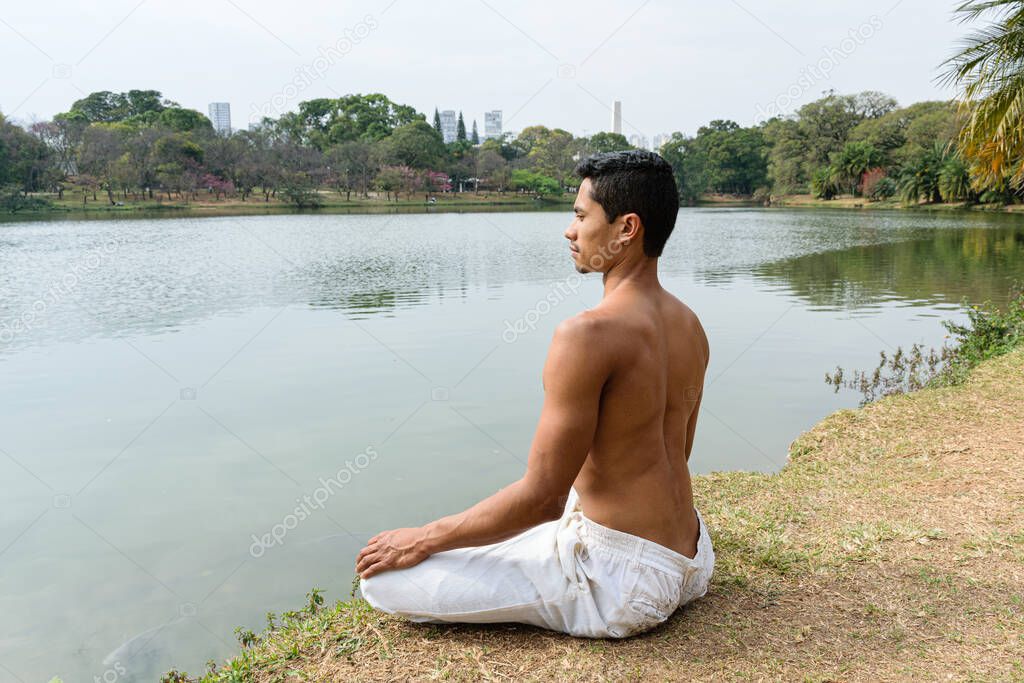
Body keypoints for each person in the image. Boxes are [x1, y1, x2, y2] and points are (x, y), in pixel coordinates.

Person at [356, 150, 713, 639]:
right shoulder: (690, 325)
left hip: (624, 584)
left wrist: (421, 538)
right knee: (558, 509)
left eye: (581, 216)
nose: (570, 230)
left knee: (385, 584)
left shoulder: (586, 335)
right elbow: (678, 453)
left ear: (626, 228)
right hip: (691, 556)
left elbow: (542, 498)